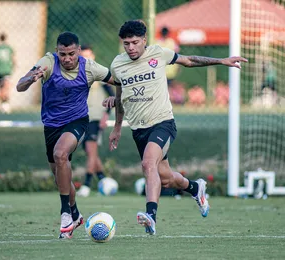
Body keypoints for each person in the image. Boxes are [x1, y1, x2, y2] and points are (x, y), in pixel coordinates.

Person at [104, 20, 247, 235]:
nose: (131, 47)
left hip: (163, 123)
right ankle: (195, 188)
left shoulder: (158, 53)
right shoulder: (118, 64)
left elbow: (189, 60)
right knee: (166, 178)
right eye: (126, 44)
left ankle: (151, 216)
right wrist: (116, 127)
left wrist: (221, 60)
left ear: (144, 40)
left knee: (147, 163)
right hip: (138, 129)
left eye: (135, 42)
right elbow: (120, 95)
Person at [16, 32, 114, 239]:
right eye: (63, 54)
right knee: (60, 176)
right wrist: (30, 79)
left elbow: (119, 81)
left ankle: (65, 214)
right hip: (51, 125)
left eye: (71, 54)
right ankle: (76, 214)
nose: (67, 59)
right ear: (57, 51)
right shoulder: (48, 62)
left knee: (61, 154)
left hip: (77, 121)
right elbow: (19, 86)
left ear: (78, 51)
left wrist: (116, 101)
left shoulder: (90, 67)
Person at [77, 45, 115, 197]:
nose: (86, 58)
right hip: (81, 118)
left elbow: (112, 95)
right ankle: (103, 179)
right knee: (89, 151)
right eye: (83, 55)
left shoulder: (99, 72)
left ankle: (86, 185)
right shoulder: (77, 74)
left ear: (93, 56)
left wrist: (106, 115)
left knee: (91, 149)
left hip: (96, 117)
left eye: (88, 55)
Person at [0, 33, 15, 114]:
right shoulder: (9, 48)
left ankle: (4, 105)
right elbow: (13, 59)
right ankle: (5, 104)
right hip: (7, 70)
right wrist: (14, 66)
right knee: (6, 88)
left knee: (2, 88)